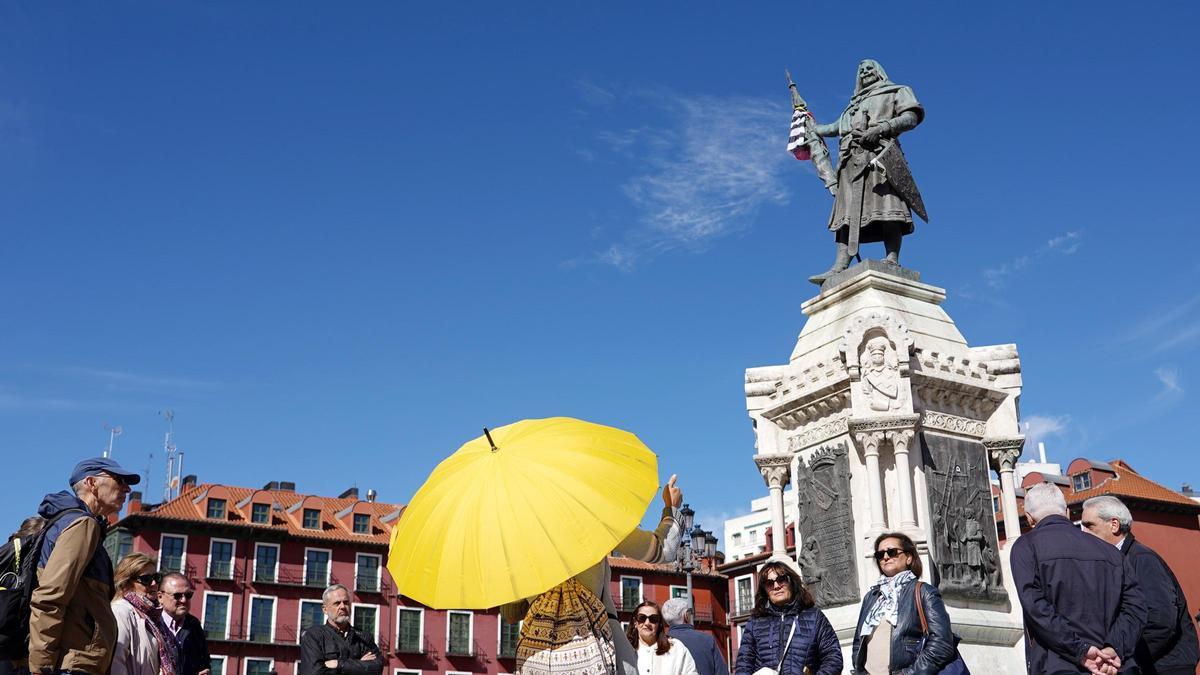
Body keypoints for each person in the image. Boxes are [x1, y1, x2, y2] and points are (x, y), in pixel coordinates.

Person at [503, 475, 684, 675]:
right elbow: (663, 549)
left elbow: (511, 613)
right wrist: (671, 509)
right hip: (598, 647)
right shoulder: (592, 517)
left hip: (539, 658)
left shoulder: (517, 538)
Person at [1011, 483, 1146, 675]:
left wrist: (1081, 650)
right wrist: (1114, 648)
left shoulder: (1026, 546)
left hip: (1059, 665)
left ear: (1029, 518)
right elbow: (1135, 607)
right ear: (1066, 512)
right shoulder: (1112, 552)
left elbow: (1036, 608)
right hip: (1115, 667)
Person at [809, 59, 924, 284]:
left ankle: (892, 259)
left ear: (880, 71)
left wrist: (883, 128)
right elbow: (834, 128)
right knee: (845, 214)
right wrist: (811, 128)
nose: (866, 72)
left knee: (887, 206)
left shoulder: (896, 91)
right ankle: (840, 265)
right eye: (861, 70)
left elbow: (911, 118)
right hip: (850, 163)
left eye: (870, 68)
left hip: (880, 157)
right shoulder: (851, 107)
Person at [29, 457, 138, 675]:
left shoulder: (70, 522)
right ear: (91, 483)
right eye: (119, 480)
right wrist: (41, 667)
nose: (126, 488)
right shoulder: (82, 524)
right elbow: (49, 597)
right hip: (72, 663)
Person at [1081, 496, 1199, 675]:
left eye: (1089, 526)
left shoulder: (1141, 559)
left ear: (1114, 525)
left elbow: (1161, 620)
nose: (1084, 533)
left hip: (1165, 667)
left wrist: (1124, 657)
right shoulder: (1119, 561)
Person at [849, 532, 957, 675]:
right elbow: (859, 641)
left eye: (892, 552)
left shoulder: (924, 592)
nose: (886, 557)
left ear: (909, 558)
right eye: (880, 555)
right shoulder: (872, 597)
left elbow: (942, 643)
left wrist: (910, 673)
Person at [733, 558, 842, 675]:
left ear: (792, 582)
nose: (776, 586)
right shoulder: (755, 622)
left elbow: (833, 657)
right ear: (764, 590)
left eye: (781, 579)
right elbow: (744, 664)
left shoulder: (814, 617)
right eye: (769, 583)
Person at [111, 553, 176, 675]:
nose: (154, 584)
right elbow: (116, 663)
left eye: (156, 577)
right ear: (127, 582)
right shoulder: (121, 611)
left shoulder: (153, 617)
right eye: (146, 579)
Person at [299, 584, 382, 675]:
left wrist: (339, 664)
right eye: (337, 603)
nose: (342, 607)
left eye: (346, 602)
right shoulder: (313, 636)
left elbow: (377, 668)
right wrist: (359, 666)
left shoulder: (364, 637)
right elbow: (314, 672)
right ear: (325, 609)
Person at [158, 572, 211, 675]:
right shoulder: (150, 623)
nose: (184, 600)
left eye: (188, 595)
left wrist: (205, 670)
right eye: (177, 596)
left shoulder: (194, 625)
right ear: (160, 597)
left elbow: (204, 661)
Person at [626, 601, 699, 675]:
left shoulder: (676, 648)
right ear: (635, 622)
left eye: (653, 619)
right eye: (642, 618)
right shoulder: (625, 650)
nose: (647, 623)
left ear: (659, 624)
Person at [663, 597, 728, 675]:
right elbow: (722, 672)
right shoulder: (707, 640)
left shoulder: (660, 643)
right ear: (686, 615)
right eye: (691, 612)